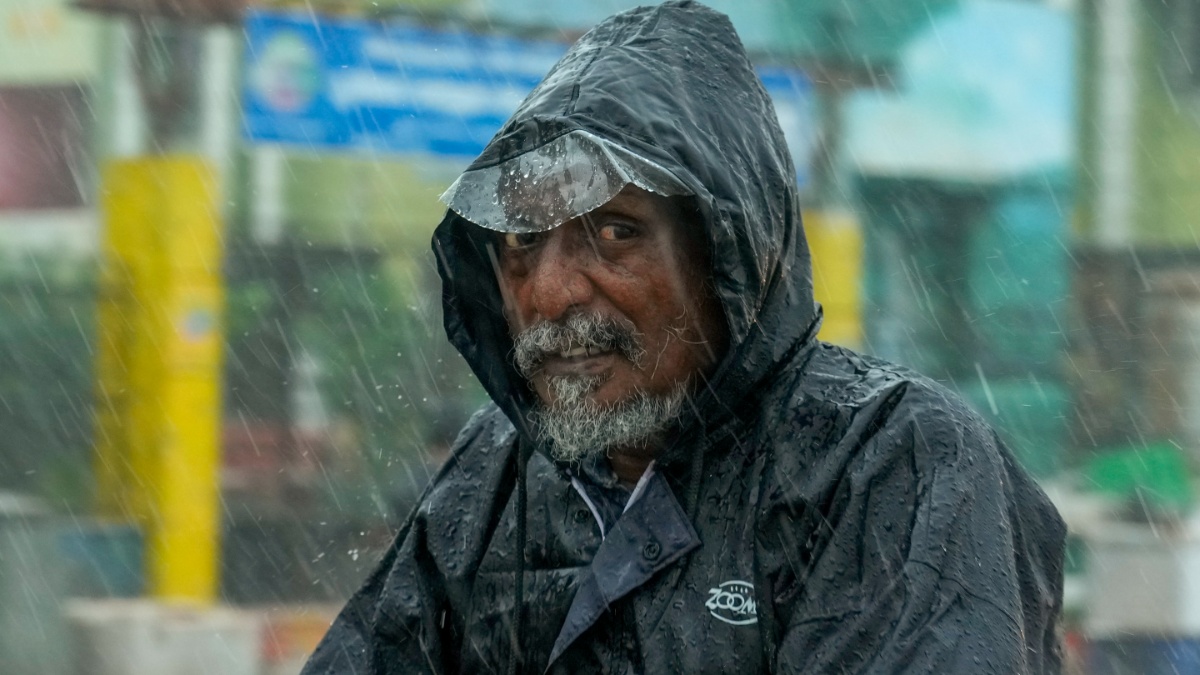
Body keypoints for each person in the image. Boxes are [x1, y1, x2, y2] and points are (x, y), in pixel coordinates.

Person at [301, 2, 1066, 673]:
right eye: (523, 240)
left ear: (727, 258)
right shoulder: (496, 474)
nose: (552, 290)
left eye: (614, 231)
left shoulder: (889, 463)